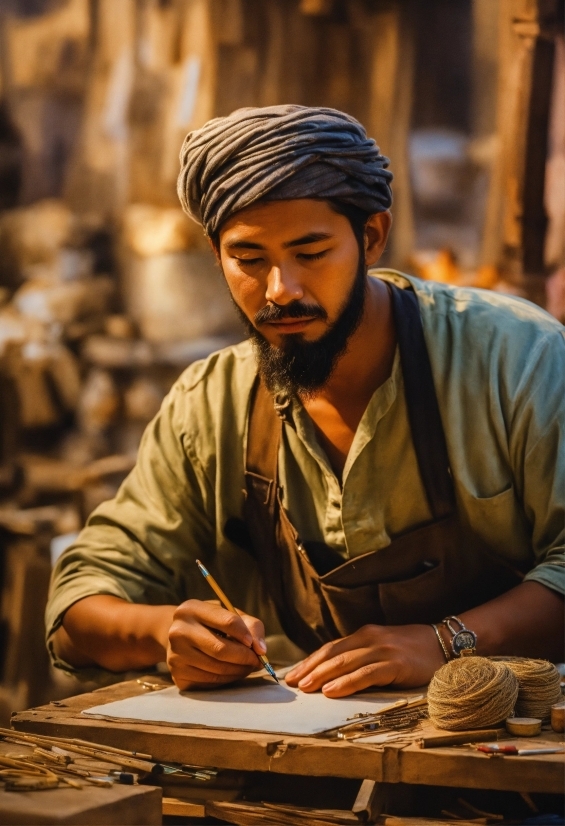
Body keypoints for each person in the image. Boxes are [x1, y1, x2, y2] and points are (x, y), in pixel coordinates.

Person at [47, 106, 564, 698]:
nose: (280, 290)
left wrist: (446, 643)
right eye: (249, 259)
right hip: (302, 763)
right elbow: (77, 604)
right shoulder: (211, 404)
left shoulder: (515, 359)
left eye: (311, 253)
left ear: (371, 236)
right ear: (216, 256)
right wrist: (163, 630)